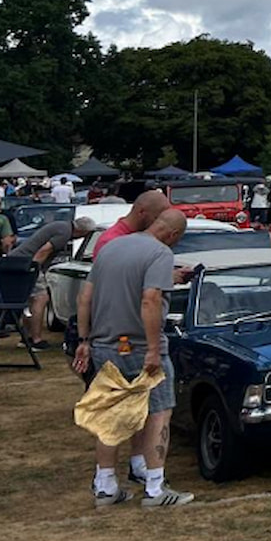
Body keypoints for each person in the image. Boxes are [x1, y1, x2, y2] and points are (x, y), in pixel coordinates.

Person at [73, 208, 194, 508]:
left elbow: (85, 297)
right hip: (141, 347)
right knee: (159, 412)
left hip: (104, 345)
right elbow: (150, 299)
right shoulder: (160, 253)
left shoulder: (110, 247)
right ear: (173, 234)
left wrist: (84, 340)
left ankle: (105, 486)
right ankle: (155, 487)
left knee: (111, 412)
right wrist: (153, 349)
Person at [10, 215, 94, 349]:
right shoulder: (64, 233)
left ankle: (26, 337)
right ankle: (36, 340)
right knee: (40, 298)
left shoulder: (62, 226)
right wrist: (35, 271)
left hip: (16, 261)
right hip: (27, 264)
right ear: (82, 232)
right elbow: (44, 251)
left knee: (30, 301)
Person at [92, 189, 168, 258]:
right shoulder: (111, 242)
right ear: (141, 212)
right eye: (156, 218)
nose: (158, 224)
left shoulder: (145, 237)